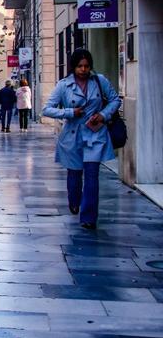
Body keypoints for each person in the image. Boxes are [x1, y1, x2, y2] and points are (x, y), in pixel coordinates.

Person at [42, 49, 121, 230]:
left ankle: (89, 217)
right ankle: (74, 200)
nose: (83, 70)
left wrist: (102, 114)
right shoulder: (63, 85)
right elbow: (47, 109)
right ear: (73, 67)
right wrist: (70, 112)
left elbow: (115, 100)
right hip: (72, 135)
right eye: (80, 66)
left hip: (95, 133)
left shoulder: (99, 81)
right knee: (75, 173)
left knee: (92, 174)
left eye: (86, 66)